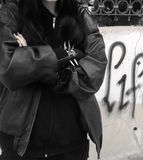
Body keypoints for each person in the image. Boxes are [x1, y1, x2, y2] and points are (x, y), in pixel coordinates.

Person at [0, 0, 107, 159]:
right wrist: (67, 55)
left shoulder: (81, 16)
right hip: (22, 144)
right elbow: (9, 68)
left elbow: (95, 69)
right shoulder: (12, 13)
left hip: (72, 142)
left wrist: (31, 57)